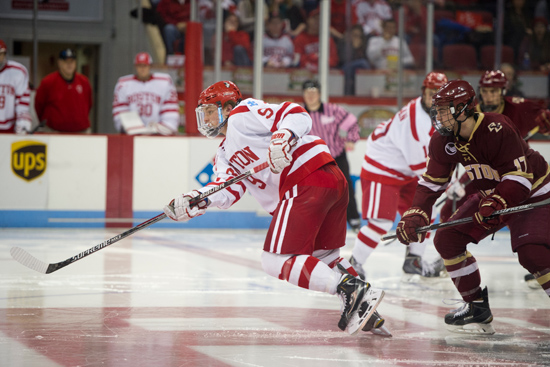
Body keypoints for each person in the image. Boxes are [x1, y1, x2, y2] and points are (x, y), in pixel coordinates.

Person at [163, 80, 386, 335]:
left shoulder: (242, 114)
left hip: (305, 179)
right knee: (326, 258)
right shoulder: (223, 153)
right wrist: (197, 199)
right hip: (330, 181)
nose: (206, 118)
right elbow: (227, 190)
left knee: (273, 260)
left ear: (227, 106)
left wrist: (283, 137)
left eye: (210, 110)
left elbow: (295, 114)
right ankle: (366, 307)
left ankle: (351, 290)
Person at [396, 79, 550, 335]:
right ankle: (476, 305)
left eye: (444, 110)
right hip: (494, 196)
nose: (438, 116)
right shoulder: (442, 140)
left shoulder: (496, 126)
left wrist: (496, 202)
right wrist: (416, 212)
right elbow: (431, 183)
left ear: (463, 108)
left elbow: (520, 178)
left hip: (533, 194)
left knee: (531, 253)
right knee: (446, 239)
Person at [440, 70, 550, 288]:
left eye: (493, 91)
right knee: (447, 215)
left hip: (519, 174)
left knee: (532, 246)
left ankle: (541, 258)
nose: (488, 96)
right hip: (488, 177)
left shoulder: (520, 108)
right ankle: (446, 258)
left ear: (504, 91)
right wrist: (458, 183)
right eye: (485, 91)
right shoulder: (469, 112)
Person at [349, 72, 449, 281]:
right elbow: (422, 169)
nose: (435, 97)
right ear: (424, 92)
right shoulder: (415, 123)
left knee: (425, 212)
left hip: (405, 170)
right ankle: (353, 265)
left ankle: (414, 260)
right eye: (432, 92)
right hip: (382, 168)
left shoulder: (437, 113)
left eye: (440, 93)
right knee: (381, 222)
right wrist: (450, 186)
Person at [301, 80, 362, 232]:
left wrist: (351, 139)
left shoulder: (332, 110)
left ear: (320, 94)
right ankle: (316, 221)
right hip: (314, 160)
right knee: (314, 190)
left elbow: (352, 122)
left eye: (314, 92)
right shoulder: (300, 114)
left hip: (336, 156)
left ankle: (353, 218)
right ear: (303, 95)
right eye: (307, 92)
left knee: (345, 187)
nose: (311, 96)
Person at [112, 52, 179, 135]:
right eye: (139, 66)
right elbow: (120, 113)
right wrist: (130, 127)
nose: (142, 69)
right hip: (132, 133)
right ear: (135, 67)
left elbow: (170, 113)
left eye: (145, 65)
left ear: (150, 66)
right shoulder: (123, 85)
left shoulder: (164, 82)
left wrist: (162, 128)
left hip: (158, 134)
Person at [34, 48, 93, 133]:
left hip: (81, 131)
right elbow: (39, 105)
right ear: (59, 63)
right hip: (53, 131)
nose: (69, 65)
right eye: (66, 61)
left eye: (72, 61)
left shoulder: (84, 82)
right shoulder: (48, 82)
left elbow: (89, 104)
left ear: (75, 63)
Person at [0, 39, 31, 134]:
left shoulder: (18, 72)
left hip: (9, 130)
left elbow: (22, 103)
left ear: (5, 54)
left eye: (0, 53)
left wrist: (23, 119)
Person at [338, 24, 370, 96]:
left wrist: (358, 48)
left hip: (357, 73)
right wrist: (354, 48)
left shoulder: (362, 46)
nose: (356, 38)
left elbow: (367, 61)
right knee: (363, 63)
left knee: (363, 63)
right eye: (354, 35)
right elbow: (343, 59)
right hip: (343, 70)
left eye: (359, 36)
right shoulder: (343, 43)